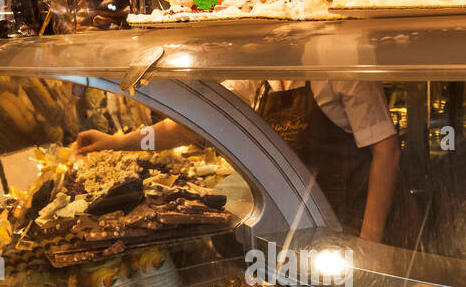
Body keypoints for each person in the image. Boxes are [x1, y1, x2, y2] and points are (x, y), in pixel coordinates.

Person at [75, 80, 402, 243]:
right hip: (291, 231)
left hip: (348, 226)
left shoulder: (338, 72)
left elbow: (386, 149)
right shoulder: (257, 79)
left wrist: (368, 245)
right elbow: (187, 129)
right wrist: (117, 143)